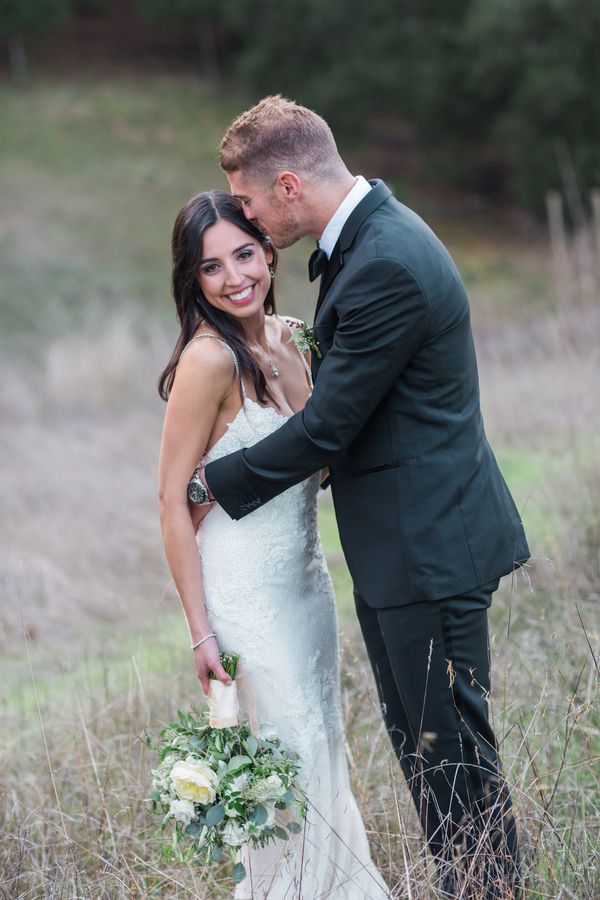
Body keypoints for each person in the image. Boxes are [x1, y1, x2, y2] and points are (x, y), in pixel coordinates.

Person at [192, 96, 530, 898]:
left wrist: (211, 482)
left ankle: (487, 890)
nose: (242, 217)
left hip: (432, 552)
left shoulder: (384, 261)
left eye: (245, 200)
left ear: (284, 184)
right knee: (431, 755)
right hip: (404, 554)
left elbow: (328, 430)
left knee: (453, 765)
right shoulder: (367, 241)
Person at [158, 190, 389, 899]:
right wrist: (201, 632)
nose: (234, 278)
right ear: (192, 282)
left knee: (321, 751)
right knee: (291, 768)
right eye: (211, 268)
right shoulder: (208, 361)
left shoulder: (293, 339)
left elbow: (318, 457)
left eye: (244, 254)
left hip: (307, 586)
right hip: (247, 597)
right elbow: (171, 498)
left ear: (269, 253)